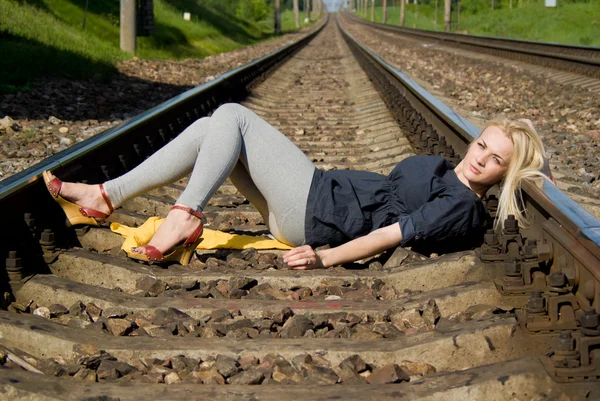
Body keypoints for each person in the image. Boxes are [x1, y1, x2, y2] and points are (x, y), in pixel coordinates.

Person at [43, 103, 550, 268]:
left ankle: (182, 213)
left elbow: (392, 234)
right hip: (316, 196)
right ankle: (105, 195)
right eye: (482, 144)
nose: (479, 157)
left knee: (233, 117)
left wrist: (324, 257)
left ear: (505, 173)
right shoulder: (450, 172)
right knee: (211, 130)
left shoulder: (460, 204)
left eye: (495, 159)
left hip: (318, 211)